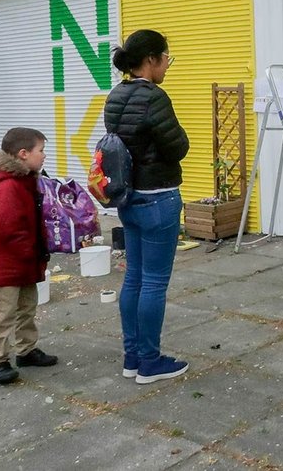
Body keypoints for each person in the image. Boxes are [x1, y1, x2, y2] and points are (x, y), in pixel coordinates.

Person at [105, 29, 190, 384]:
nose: (168, 65)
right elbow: (177, 146)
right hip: (159, 198)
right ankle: (151, 362)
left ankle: (132, 357)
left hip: (129, 199)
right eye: (167, 58)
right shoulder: (154, 97)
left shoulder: (115, 95)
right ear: (152, 59)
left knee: (134, 279)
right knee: (154, 283)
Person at [0, 127, 59, 385]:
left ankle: (26, 350)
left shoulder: (28, 180)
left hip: (25, 260)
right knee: (3, 313)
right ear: (23, 154)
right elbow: (10, 227)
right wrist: (30, 250)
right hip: (7, 264)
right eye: (41, 151)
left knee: (27, 307)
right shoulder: (8, 187)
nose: (44, 156)